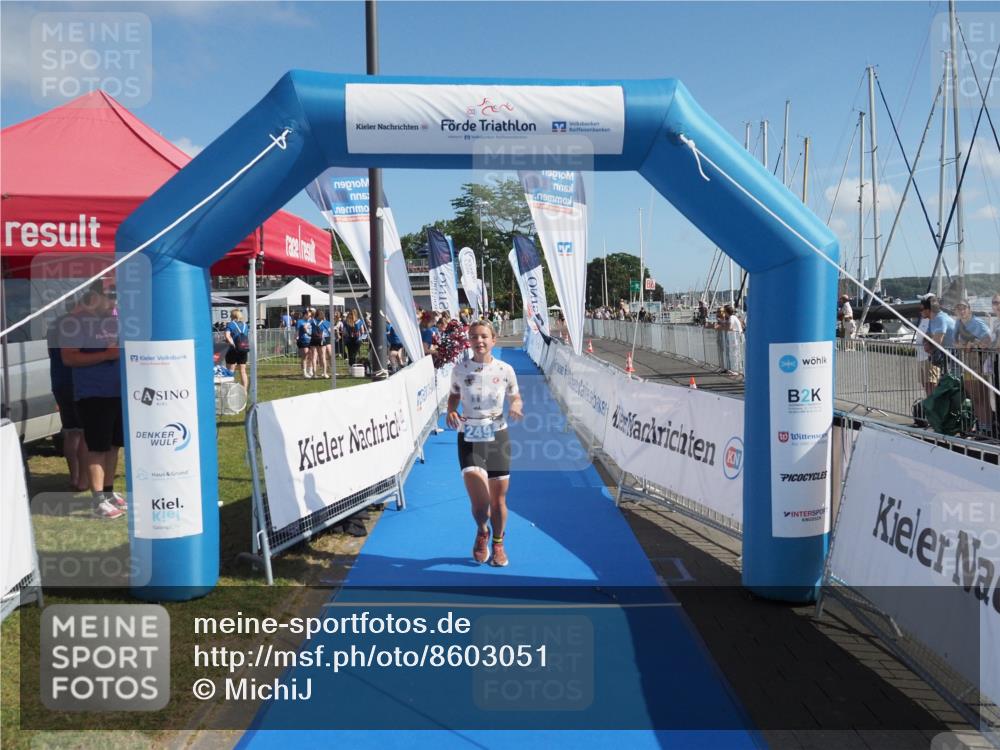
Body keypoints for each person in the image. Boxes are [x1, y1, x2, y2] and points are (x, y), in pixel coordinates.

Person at [446, 321, 524, 567]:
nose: (479, 341)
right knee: (480, 503)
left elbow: (516, 396)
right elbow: (454, 394)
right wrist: (451, 410)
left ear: (493, 340)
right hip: (469, 434)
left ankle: (498, 542)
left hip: (497, 434)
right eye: (474, 337)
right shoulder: (460, 369)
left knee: (498, 500)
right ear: (468, 341)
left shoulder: (505, 370)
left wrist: (515, 406)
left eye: (484, 336)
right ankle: (482, 530)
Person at [59, 283, 125, 519]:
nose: (114, 301)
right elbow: (68, 357)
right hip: (93, 394)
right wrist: (108, 354)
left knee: (114, 445)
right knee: (97, 446)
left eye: (117, 296)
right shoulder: (75, 322)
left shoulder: (115, 319)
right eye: (110, 296)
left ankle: (107, 493)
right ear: (94, 296)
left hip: (118, 391)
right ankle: (98, 501)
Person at [47, 299, 89, 492]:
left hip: (59, 382)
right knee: (82, 433)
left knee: (71, 432)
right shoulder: (75, 325)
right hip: (75, 382)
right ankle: (83, 481)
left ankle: (74, 478)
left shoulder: (54, 325)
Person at [953, 299, 992, 431]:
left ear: (969, 309)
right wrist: (962, 345)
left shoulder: (977, 322)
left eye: (964, 308)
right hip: (967, 362)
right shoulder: (958, 323)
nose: (961, 311)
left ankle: (987, 427)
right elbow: (955, 342)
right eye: (959, 308)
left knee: (982, 395)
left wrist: (973, 344)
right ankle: (980, 425)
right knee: (973, 395)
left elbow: (988, 339)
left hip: (979, 362)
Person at [224, 309, 250, 390]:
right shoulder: (245, 325)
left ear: (232, 316)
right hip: (243, 349)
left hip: (233, 350)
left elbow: (227, 336)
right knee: (243, 371)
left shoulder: (230, 324)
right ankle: (244, 391)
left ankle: (230, 390)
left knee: (230, 371)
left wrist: (233, 344)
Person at [295, 308, 315, 377]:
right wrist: (296, 338)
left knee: (311, 356)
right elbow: (297, 331)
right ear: (305, 315)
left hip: (310, 340)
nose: (310, 317)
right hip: (303, 341)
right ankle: (304, 372)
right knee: (305, 357)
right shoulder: (300, 322)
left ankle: (310, 370)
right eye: (309, 315)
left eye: (310, 316)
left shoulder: (311, 321)